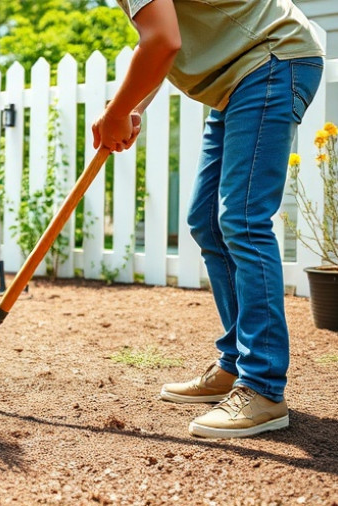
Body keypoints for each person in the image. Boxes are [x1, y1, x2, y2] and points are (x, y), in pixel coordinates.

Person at [93, 0, 325, 438]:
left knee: (243, 219)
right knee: (207, 220)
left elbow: (163, 42)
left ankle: (263, 386)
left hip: (270, 59)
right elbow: (163, 42)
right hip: (240, 79)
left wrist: (117, 112)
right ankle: (238, 360)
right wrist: (132, 106)